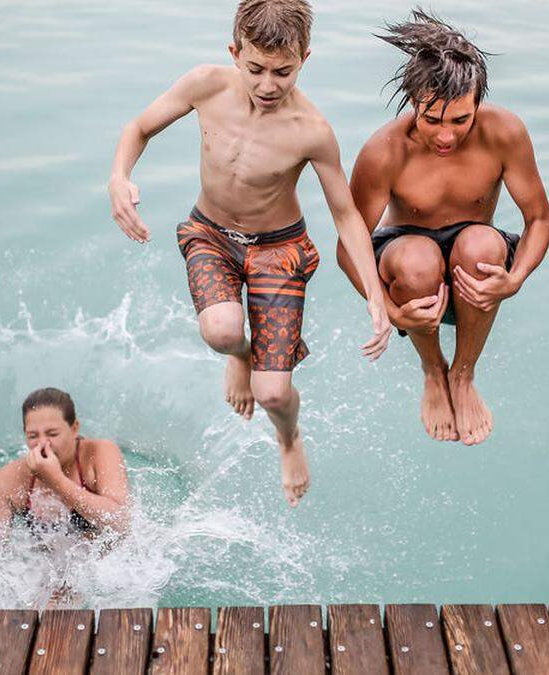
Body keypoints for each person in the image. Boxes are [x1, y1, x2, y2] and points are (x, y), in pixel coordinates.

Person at [108, 0, 392, 506]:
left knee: (274, 393)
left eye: (283, 72)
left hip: (278, 251)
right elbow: (138, 128)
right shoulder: (205, 85)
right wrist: (119, 178)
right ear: (234, 52)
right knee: (221, 331)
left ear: (305, 58)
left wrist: (374, 295)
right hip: (210, 235)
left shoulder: (312, 131)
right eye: (256, 69)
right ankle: (240, 354)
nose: (267, 85)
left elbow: (345, 214)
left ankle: (289, 439)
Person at [338, 9, 549, 446]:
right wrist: (389, 311)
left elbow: (540, 221)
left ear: (479, 103)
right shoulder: (385, 151)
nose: (445, 136)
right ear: (412, 101)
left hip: (471, 269)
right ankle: (433, 370)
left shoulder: (504, 133)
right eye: (431, 119)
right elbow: (350, 246)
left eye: (460, 120)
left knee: (479, 243)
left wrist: (514, 280)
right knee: (418, 260)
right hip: (410, 265)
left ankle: (463, 374)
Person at [0, 388, 129, 538]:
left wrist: (56, 480)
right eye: (33, 436)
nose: (42, 444)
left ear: (74, 428)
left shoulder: (98, 453)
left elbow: (123, 522)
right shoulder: (9, 478)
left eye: (52, 434)